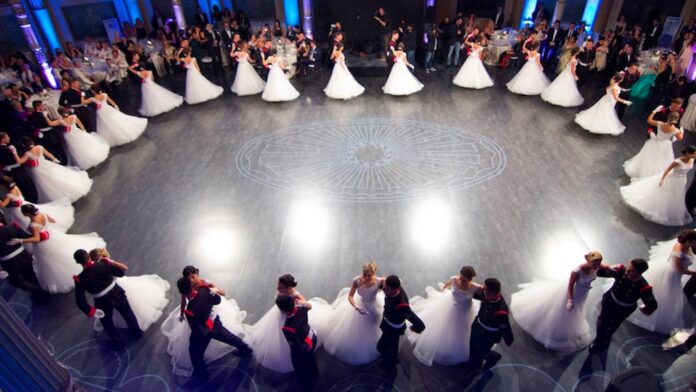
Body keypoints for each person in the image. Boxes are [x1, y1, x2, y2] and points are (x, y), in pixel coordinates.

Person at [161, 266, 249, 377]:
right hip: (213, 321)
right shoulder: (205, 291)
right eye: (190, 278)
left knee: (195, 353)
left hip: (204, 330)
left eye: (192, 277)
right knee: (227, 336)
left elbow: (195, 328)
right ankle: (245, 349)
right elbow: (217, 300)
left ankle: (202, 375)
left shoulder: (191, 310)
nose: (192, 280)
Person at [511, 252, 605, 351]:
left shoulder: (596, 266)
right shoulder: (577, 271)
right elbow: (570, 285)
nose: (597, 266)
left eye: (598, 264)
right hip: (573, 294)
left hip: (582, 295)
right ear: (588, 261)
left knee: (577, 310)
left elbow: (605, 266)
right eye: (595, 264)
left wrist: (613, 268)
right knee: (562, 313)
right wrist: (570, 300)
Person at [245, 274, 329, 373]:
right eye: (278, 285)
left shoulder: (295, 295)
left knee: (289, 337)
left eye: (280, 287)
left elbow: (308, 306)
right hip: (282, 313)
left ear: (288, 287)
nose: (277, 288)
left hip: (289, 315)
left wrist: (299, 304)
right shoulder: (282, 292)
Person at [13, 204, 104, 293]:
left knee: (50, 261)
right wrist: (46, 230)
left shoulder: (34, 224)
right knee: (62, 252)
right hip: (52, 236)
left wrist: (21, 240)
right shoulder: (42, 214)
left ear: (26, 214)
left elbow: (36, 238)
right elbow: (53, 221)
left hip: (43, 244)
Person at [407, 266, 481, 365]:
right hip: (450, 306)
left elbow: (484, 294)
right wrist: (445, 290)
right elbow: (446, 286)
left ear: (470, 278)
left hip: (465, 311)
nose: (462, 280)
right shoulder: (455, 280)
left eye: (465, 279)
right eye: (461, 277)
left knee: (461, 331)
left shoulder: (475, 287)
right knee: (442, 326)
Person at [627, 231, 696, 334]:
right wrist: (693, 273)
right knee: (664, 293)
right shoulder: (679, 252)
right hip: (671, 274)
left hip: (674, 273)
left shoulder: (686, 246)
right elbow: (679, 269)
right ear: (689, 241)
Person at [73, 249, 141, 347]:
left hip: (102, 302)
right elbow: (120, 273)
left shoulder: (80, 278)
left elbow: (80, 300)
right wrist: (110, 263)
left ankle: (118, 343)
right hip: (117, 294)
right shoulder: (103, 264)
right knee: (128, 314)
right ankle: (137, 333)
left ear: (78, 262)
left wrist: (91, 311)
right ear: (88, 256)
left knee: (108, 324)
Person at [321, 262, 385, 365]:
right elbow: (350, 296)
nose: (367, 277)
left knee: (374, 326)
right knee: (358, 329)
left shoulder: (379, 281)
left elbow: (393, 284)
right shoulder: (357, 280)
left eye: (369, 275)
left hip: (374, 306)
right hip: (360, 304)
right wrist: (356, 306)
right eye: (365, 274)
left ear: (374, 273)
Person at [589, 259, 657, 353]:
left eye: (630, 270)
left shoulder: (643, 286)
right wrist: (596, 265)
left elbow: (652, 305)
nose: (627, 270)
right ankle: (598, 341)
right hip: (610, 300)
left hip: (624, 309)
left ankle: (607, 337)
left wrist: (644, 308)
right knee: (602, 320)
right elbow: (600, 272)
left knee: (614, 324)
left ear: (638, 273)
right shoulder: (621, 271)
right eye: (628, 267)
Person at [621, 146, 696, 226]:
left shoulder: (692, 160)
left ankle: (670, 209)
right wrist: (662, 179)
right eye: (694, 154)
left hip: (682, 180)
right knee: (665, 193)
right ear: (688, 153)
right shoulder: (678, 161)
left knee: (676, 195)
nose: (695, 155)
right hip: (673, 179)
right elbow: (667, 170)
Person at [19, 137, 92, 203]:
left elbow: (20, 161)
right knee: (55, 177)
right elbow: (49, 154)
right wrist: (54, 159)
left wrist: (15, 153)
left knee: (47, 183)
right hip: (46, 164)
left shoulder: (28, 154)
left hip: (38, 169)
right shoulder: (39, 147)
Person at [465, 278, 513, 370]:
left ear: (493, 292)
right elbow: (477, 295)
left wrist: (508, 340)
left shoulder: (501, 310)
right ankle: (472, 362)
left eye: (485, 289)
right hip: (478, 326)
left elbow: (505, 327)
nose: (483, 289)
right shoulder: (486, 294)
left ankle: (477, 366)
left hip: (488, 335)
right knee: (473, 345)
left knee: (481, 351)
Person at [377, 275, 425, 366]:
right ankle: (392, 356)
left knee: (381, 347)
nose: (383, 289)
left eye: (387, 289)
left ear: (395, 289)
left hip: (393, 328)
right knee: (394, 344)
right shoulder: (394, 284)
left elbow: (420, 324)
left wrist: (415, 328)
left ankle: (392, 361)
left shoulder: (402, 306)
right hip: (387, 322)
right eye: (385, 286)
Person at [0, 175, 73, 231]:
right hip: (25, 203)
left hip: (18, 210)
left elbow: (3, 205)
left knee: (24, 223)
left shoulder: (9, 195)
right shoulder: (16, 188)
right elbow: (21, 197)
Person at [624, 110, 683, 178]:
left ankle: (644, 170)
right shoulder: (676, 130)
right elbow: (679, 138)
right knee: (661, 160)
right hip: (665, 146)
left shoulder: (660, 123)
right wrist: (681, 131)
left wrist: (653, 112)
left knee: (649, 157)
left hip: (655, 141)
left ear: (668, 117)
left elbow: (649, 120)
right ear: (677, 120)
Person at [0, 211, 46, 296]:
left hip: (9, 262)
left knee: (15, 280)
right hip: (23, 255)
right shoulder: (12, 227)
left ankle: (39, 292)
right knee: (30, 275)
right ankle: (40, 293)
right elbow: (29, 236)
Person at [0, 132, 37, 203]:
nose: (9, 138)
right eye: (7, 137)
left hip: (7, 173)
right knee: (26, 186)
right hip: (17, 171)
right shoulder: (9, 149)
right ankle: (31, 202)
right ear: (2, 139)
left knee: (15, 189)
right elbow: (18, 161)